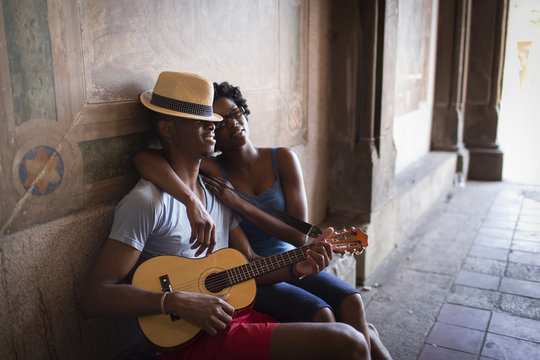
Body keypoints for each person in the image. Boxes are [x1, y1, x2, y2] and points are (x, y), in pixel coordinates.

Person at [79, 71, 370, 360]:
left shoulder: (217, 194)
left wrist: (296, 268)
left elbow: (251, 265)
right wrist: (174, 301)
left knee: (353, 331)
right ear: (167, 129)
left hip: (236, 318)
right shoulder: (146, 203)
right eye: (199, 119)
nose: (212, 125)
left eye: (212, 119)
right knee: (348, 342)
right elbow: (93, 299)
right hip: (191, 340)